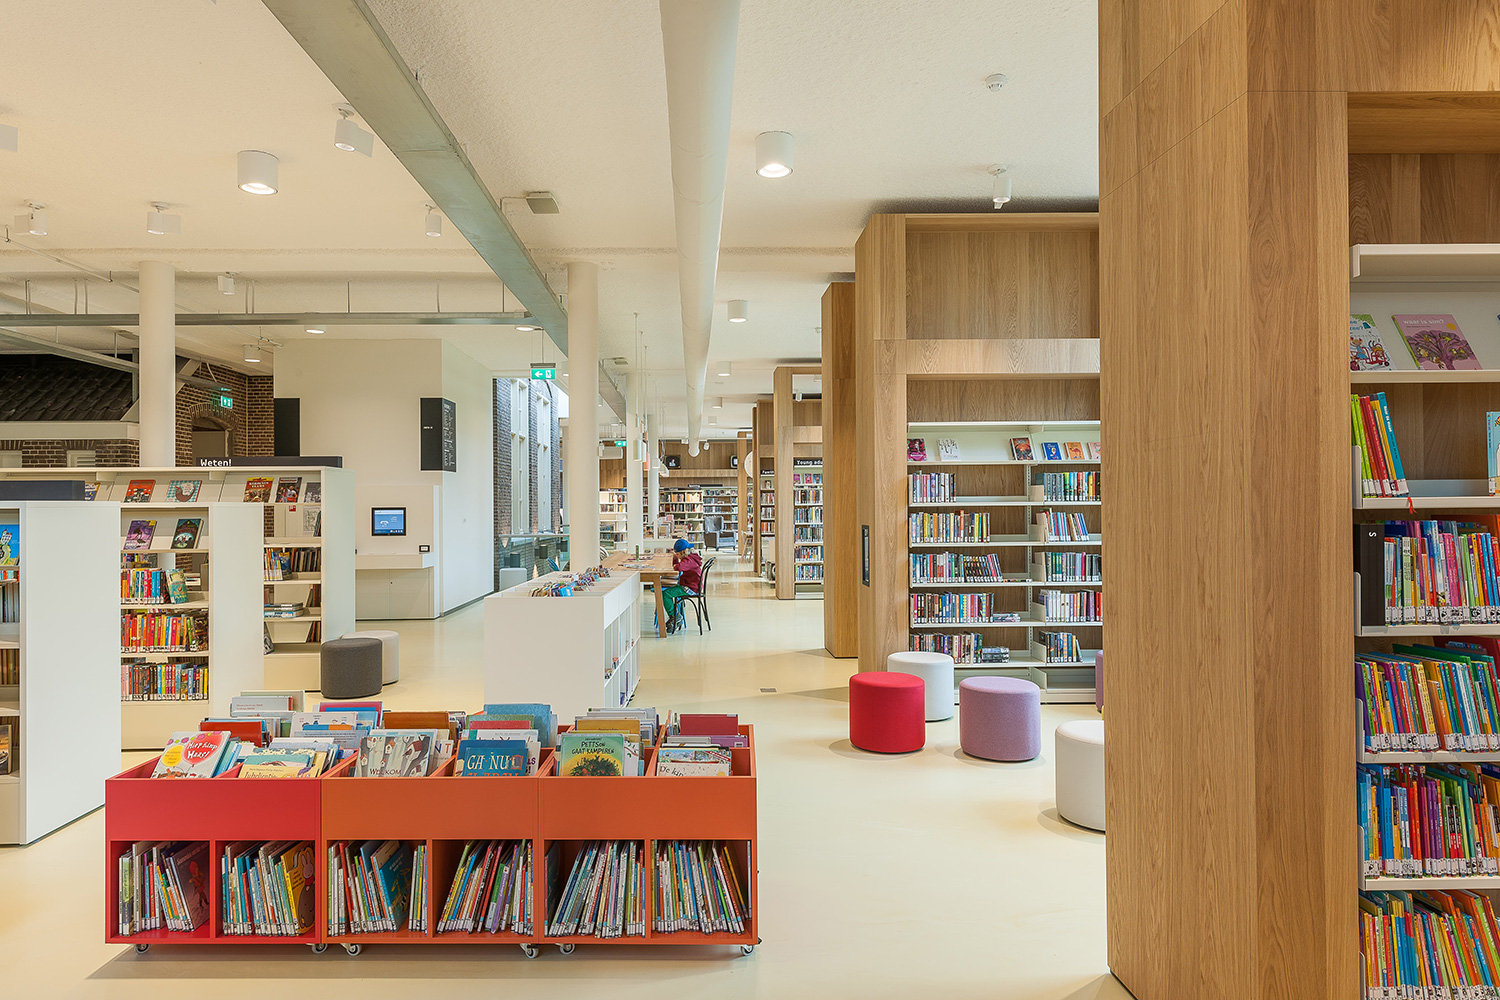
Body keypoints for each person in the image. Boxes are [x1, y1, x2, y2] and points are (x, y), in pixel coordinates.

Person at [661, 538, 703, 634]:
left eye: (678, 554)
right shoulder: (692, 558)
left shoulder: (689, 560)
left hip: (691, 588)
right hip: (691, 585)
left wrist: (675, 564)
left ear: (682, 552)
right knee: (669, 590)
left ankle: (675, 616)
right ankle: (674, 616)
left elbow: (679, 567)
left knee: (665, 594)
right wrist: (675, 558)